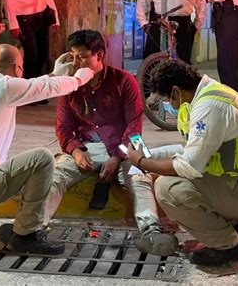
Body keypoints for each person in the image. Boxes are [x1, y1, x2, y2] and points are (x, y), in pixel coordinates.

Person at [0, 44, 95, 254]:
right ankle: (26, 235)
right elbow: (42, 89)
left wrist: (54, 74)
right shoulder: (4, 88)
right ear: (17, 68)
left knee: (5, 163)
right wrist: (79, 79)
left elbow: (31, 86)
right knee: (41, 160)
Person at [127, 60, 238, 266]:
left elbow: (188, 166)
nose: (166, 105)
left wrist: (143, 162)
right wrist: (151, 155)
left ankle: (228, 247)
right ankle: (232, 228)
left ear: (175, 92)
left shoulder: (209, 108)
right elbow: (190, 149)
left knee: (167, 188)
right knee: (171, 177)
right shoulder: (207, 94)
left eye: (164, 99)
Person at [46, 30, 178, 256]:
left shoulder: (124, 81)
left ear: (99, 55)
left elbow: (134, 127)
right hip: (85, 147)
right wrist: (76, 151)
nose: (76, 63)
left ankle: (152, 232)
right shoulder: (69, 85)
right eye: (73, 56)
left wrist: (117, 157)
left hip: (123, 149)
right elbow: (64, 128)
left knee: (139, 176)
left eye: (83, 57)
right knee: (54, 176)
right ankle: (32, 228)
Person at [5, 0, 59, 104]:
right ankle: (28, 93)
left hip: (41, 16)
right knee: (32, 54)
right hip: (23, 17)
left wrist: (56, 18)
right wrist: (13, 23)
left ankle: (38, 92)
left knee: (42, 54)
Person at [136, 0, 207, 64]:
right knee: (152, 62)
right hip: (158, 23)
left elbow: (201, 2)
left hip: (183, 25)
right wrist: (143, 22)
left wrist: (196, 25)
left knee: (182, 63)